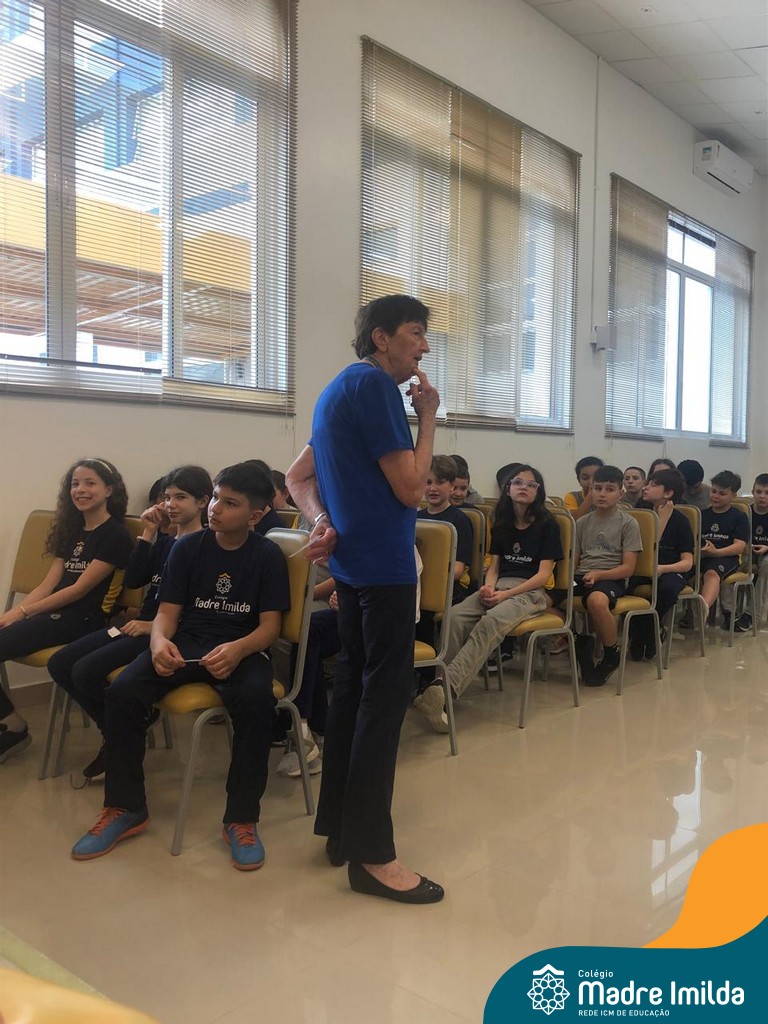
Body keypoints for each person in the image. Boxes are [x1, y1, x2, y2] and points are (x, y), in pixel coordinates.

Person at [286, 293, 444, 904]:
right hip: (384, 570)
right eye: (415, 333)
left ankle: (340, 831)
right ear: (381, 337)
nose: (423, 346)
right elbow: (411, 490)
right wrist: (428, 417)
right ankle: (373, 856)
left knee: (352, 695)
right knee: (383, 704)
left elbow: (296, 478)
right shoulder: (378, 389)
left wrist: (322, 520)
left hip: (354, 570)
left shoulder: (336, 389)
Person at [70, 463, 290, 870]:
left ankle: (241, 818)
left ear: (256, 515)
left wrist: (238, 649)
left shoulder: (267, 555)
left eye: (230, 503)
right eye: (216, 498)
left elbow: (269, 629)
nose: (216, 509)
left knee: (257, 701)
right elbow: (167, 614)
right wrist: (158, 643)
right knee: (123, 692)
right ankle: (126, 807)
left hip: (241, 649)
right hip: (185, 642)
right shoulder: (187, 548)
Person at [48, 465, 212, 782]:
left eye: (181, 497)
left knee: (85, 670)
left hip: (163, 631)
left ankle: (121, 735)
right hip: (139, 624)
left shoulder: (206, 547)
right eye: (167, 497)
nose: (171, 504)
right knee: (60, 662)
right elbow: (135, 579)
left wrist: (152, 627)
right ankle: (120, 731)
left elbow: (200, 608)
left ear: (203, 501)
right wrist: (149, 533)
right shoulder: (166, 542)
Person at [0, 459, 132, 763]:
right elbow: (49, 584)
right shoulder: (72, 530)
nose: (80, 490)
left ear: (109, 489)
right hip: (56, 613)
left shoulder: (115, 535)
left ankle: (13, 727)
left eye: (90, 483)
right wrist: (13, 613)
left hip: (85, 619)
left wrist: (23, 613)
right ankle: (9, 723)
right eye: (75, 483)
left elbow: (78, 590)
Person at [415, 465, 562, 727]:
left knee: (490, 622)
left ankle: (444, 690)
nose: (524, 488)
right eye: (518, 483)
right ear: (508, 488)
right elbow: (494, 567)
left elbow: (543, 575)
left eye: (531, 485)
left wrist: (506, 595)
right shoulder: (502, 522)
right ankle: (438, 689)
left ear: (538, 492)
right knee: (455, 616)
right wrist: (489, 587)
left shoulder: (548, 524)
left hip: (530, 591)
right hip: (500, 586)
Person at [573, 465, 642, 687]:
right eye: (597, 488)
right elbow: (575, 561)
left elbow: (628, 568)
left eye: (609, 489)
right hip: (583, 575)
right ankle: (578, 641)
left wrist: (599, 574)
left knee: (597, 601)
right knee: (543, 599)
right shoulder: (582, 522)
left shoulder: (628, 523)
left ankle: (611, 653)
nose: (602, 494)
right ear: (590, 490)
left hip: (611, 578)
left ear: (620, 493)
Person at [628, 469, 693, 661]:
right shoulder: (642, 514)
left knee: (667, 589)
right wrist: (661, 521)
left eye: (653, 485)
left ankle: (645, 635)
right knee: (626, 586)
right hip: (643, 568)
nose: (646, 487)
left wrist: (663, 568)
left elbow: (687, 562)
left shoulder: (681, 521)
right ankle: (649, 633)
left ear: (668, 493)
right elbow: (645, 550)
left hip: (670, 570)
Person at [417, 456, 473, 604]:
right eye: (428, 482)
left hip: (448, 584)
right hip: (419, 580)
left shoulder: (460, 520)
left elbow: (458, 569)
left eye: (440, 482)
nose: (433, 488)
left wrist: (430, 578)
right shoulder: (416, 517)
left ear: (451, 486)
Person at [699, 471, 749, 630]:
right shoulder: (702, 514)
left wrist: (716, 552)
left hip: (726, 557)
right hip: (703, 556)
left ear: (733, 495)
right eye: (714, 491)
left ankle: (703, 607)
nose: (716, 496)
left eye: (722, 493)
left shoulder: (739, 517)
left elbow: (740, 546)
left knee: (711, 573)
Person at [748, 473, 768, 628]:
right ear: (753, 492)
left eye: (767, 493)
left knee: (766, 565)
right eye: (759, 492)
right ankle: (730, 612)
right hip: (746, 552)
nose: (762, 496)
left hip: (766, 553)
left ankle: (752, 614)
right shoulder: (745, 512)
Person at [564, 456, 604, 521]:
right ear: (579, 480)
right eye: (585, 478)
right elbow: (574, 521)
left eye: (596, 477)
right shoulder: (572, 497)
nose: (591, 482)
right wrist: (590, 495)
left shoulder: (611, 496)